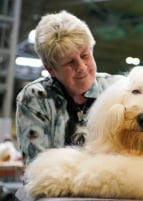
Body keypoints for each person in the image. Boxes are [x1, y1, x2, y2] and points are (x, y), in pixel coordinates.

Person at [16, 10, 120, 171]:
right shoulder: (34, 97)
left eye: (85, 55)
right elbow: (37, 169)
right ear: (50, 69)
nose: (81, 67)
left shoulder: (118, 88)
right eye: (70, 62)